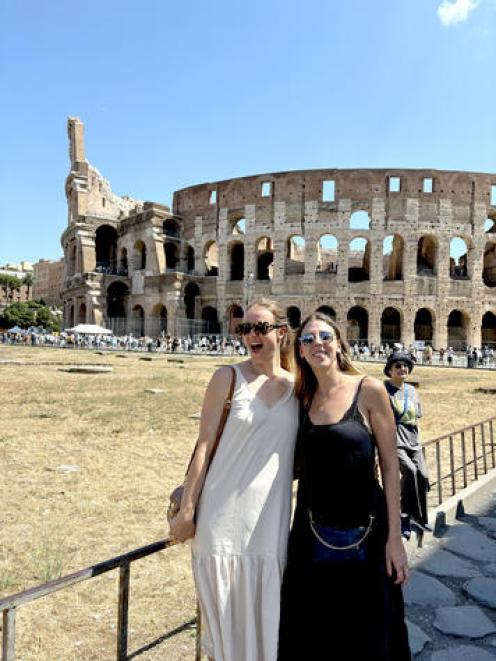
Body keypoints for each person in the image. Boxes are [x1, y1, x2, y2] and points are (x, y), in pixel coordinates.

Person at [169, 298, 298, 661]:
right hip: (220, 518)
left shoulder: (297, 387)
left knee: (266, 621)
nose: (250, 335)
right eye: (244, 328)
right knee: (223, 626)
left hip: (269, 522)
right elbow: (204, 447)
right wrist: (188, 510)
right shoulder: (227, 377)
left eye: (260, 327)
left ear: (281, 333)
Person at [278, 311, 410, 660]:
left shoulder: (369, 390)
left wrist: (395, 538)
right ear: (300, 352)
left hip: (367, 533)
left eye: (324, 336)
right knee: (314, 632)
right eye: (307, 339)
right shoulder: (302, 398)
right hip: (312, 532)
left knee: (367, 632)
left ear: (338, 344)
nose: (316, 343)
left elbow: (392, 464)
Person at [384, 350, 430, 540]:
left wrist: (418, 441)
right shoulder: (383, 390)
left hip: (413, 440)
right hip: (395, 440)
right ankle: (403, 517)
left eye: (405, 366)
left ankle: (419, 517)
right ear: (389, 370)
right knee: (409, 472)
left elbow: (416, 417)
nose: (402, 369)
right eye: (397, 366)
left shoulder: (412, 391)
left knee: (422, 475)